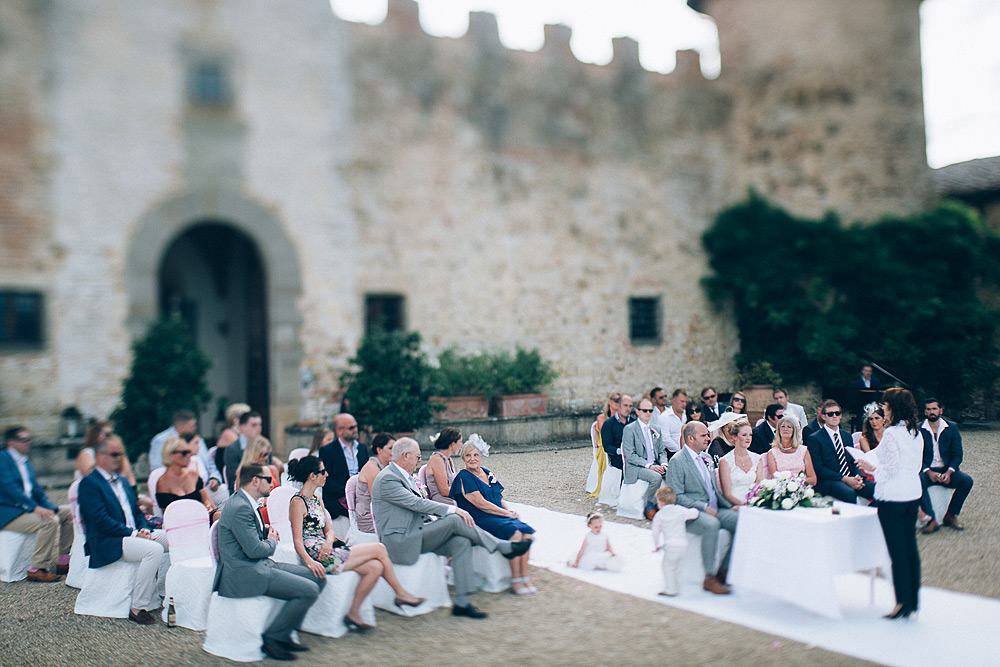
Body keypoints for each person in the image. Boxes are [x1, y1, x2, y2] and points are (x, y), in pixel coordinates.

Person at [372, 438, 531, 619]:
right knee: (455, 519)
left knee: (461, 542)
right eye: (417, 457)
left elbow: (418, 507)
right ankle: (501, 546)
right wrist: (453, 509)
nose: (419, 461)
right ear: (405, 455)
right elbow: (415, 503)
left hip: (417, 533)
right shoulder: (388, 478)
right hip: (400, 542)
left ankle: (462, 602)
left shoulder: (402, 475)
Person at [286, 456, 424, 631]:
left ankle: (353, 613)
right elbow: (297, 540)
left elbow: (329, 530)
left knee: (375, 567)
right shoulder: (297, 502)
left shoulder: (316, 499)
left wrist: (329, 542)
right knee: (380, 548)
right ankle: (401, 593)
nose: (327, 474)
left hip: (327, 550)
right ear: (312, 476)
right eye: (322, 472)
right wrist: (310, 562)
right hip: (318, 557)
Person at [214, 462, 324, 661]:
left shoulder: (245, 501)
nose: (273, 483)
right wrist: (272, 539)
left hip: (258, 565)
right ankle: (273, 638)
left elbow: (247, 534)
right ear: (255, 481)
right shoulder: (240, 507)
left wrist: (264, 530)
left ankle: (285, 631)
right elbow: (256, 550)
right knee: (309, 590)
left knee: (318, 577)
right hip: (244, 573)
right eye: (268, 479)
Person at [78, 436, 170, 625]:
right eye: (114, 454)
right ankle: (138, 607)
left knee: (172, 540)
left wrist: (143, 529)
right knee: (154, 550)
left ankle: (167, 592)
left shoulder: (122, 480)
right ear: (99, 456)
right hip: (108, 540)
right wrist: (134, 533)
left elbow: (137, 512)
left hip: (133, 533)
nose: (119, 458)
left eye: (120, 454)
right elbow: (100, 520)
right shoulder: (89, 484)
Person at [855, 388, 921, 620]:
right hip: (912, 494)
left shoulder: (892, 433)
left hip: (893, 497)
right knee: (910, 548)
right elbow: (888, 457)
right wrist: (865, 458)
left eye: (885, 406)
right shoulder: (915, 431)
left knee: (898, 552)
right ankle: (913, 600)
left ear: (892, 408)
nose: (883, 409)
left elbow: (890, 468)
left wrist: (872, 470)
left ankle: (902, 602)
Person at [451, 436, 537, 595]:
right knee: (515, 533)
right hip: (480, 518)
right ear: (463, 457)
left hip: (497, 514)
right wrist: (505, 514)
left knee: (527, 533)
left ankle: (525, 576)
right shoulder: (464, 476)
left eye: (476, 455)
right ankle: (515, 579)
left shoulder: (488, 473)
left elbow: (499, 498)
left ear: (482, 456)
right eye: (468, 455)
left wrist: (510, 512)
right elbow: (480, 504)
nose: (472, 459)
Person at [664, 421, 737, 594]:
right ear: (690, 438)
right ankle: (709, 577)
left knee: (740, 521)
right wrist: (703, 508)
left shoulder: (706, 457)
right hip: (692, 513)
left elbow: (714, 490)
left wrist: (729, 506)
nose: (708, 438)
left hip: (715, 508)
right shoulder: (677, 461)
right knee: (712, 525)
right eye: (703, 435)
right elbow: (676, 497)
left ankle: (724, 570)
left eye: (707, 434)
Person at [1, 426, 73, 582]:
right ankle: (37, 568)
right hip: (9, 513)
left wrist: (50, 507)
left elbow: (37, 491)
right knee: (49, 522)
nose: (28, 442)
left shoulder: (26, 462)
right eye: (23, 439)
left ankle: (63, 560)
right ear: (10, 442)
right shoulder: (3, 459)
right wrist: (35, 508)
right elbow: (9, 489)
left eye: (29, 439)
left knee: (69, 513)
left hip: (28, 509)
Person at [918, 398, 974, 534]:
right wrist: (928, 472)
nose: (932, 412)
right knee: (917, 482)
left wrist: (949, 473)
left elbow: (957, 455)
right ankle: (932, 520)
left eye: (934, 409)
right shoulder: (918, 429)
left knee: (967, 481)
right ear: (925, 411)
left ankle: (950, 515)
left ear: (940, 410)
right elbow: (916, 455)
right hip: (927, 470)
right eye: (929, 409)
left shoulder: (951, 427)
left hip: (946, 469)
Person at [150, 411, 225, 507]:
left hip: (204, 485)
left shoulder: (198, 440)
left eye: (188, 452)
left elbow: (210, 464)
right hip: (175, 487)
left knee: (224, 491)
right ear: (181, 427)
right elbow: (157, 467)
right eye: (192, 426)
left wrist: (214, 478)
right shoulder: (160, 440)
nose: (195, 428)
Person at [806, 399, 874, 503]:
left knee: (877, 489)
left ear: (841, 415)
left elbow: (853, 460)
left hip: (850, 477)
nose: (834, 416)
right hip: (830, 480)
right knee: (850, 493)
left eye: (837, 413)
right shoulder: (814, 438)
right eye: (830, 414)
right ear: (824, 417)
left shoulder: (846, 436)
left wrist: (858, 477)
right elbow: (819, 469)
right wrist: (844, 479)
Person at [318, 413, 369, 535]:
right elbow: (327, 481)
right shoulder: (328, 451)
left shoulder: (362, 448)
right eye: (351, 428)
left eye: (356, 426)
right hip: (338, 505)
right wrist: (349, 492)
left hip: (361, 502)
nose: (355, 430)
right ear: (339, 430)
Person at [621, 398, 667, 520]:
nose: (648, 413)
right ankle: (649, 504)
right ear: (637, 412)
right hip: (636, 466)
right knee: (656, 477)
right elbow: (630, 455)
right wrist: (649, 466)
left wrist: (664, 464)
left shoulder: (656, 429)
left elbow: (662, 451)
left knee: (673, 473)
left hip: (655, 463)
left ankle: (668, 504)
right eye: (645, 410)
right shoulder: (629, 429)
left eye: (650, 411)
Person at [155, 436, 219, 522]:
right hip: (182, 526)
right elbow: (169, 517)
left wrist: (207, 507)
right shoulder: (162, 483)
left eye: (189, 452)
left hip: (204, 519)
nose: (188, 456)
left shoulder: (193, 475)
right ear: (170, 455)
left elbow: (211, 505)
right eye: (184, 453)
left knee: (224, 517)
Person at [651, 486, 699, 597]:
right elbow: (694, 514)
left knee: (668, 567)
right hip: (683, 545)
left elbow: (655, 532)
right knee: (679, 567)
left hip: (670, 546)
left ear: (661, 502)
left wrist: (657, 545)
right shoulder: (680, 510)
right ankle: (679, 586)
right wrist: (695, 509)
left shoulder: (659, 515)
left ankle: (670, 589)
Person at [74, 420, 138, 487]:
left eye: (112, 434)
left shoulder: (116, 454)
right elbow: (92, 477)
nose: (111, 437)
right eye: (107, 434)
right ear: (96, 436)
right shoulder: (86, 453)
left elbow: (129, 477)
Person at [718, 421, 763, 506]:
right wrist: (744, 506)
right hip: (735, 504)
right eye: (744, 435)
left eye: (750, 435)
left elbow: (759, 486)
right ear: (735, 437)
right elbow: (727, 494)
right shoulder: (725, 461)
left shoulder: (757, 458)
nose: (748, 438)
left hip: (754, 503)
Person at [766, 417, 817, 485]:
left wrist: (796, 483)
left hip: (801, 489)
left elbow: (813, 479)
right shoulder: (772, 453)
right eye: (783, 427)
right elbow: (774, 478)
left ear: (794, 430)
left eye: (789, 427)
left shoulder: (803, 450)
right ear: (778, 430)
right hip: (781, 489)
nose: (785, 429)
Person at [225, 410, 263, 493]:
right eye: (254, 425)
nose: (258, 428)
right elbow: (233, 479)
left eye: (260, 425)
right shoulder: (232, 449)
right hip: (242, 491)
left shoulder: (264, 446)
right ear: (242, 427)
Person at [214, 402, 251, 480]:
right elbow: (244, 453)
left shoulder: (243, 434)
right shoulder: (228, 433)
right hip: (228, 474)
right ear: (235, 420)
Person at [425, 427, 461, 504]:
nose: (461, 445)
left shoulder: (449, 460)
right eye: (460, 442)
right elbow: (444, 491)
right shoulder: (437, 460)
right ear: (453, 444)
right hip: (441, 500)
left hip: (451, 497)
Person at [600, 395, 633, 472]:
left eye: (630, 406)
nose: (628, 409)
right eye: (625, 405)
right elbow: (607, 446)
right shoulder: (608, 424)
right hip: (618, 457)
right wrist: (620, 451)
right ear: (618, 406)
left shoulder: (634, 422)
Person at [660, 389, 688, 456]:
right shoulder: (664, 417)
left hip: (689, 451)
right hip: (672, 453)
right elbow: (665, 440)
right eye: (682, 401)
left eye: (686, 402)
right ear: (673, 401)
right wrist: (681, 451)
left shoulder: (687, 415)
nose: (684, 404)